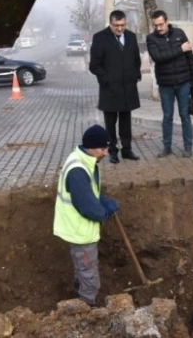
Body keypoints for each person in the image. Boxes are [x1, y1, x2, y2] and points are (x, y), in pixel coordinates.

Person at [53, 124, 119, 307]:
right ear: (90, 146)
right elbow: (90, 209)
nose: (105, 153)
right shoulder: (78, 170)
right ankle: (87, 308)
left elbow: (90, 192)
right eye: (102, 148)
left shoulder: (84, 160)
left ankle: (78, 294)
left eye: (107, 148)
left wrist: (103, 200)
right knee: (90, 276)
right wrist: (105, 211)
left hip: (78, 228)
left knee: (82, 269)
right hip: (80, 232)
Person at [89, 10, 142, 164]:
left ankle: (127, 149)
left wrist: (135, 75)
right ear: (110, 23)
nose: (120, 28)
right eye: (116, 25)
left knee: (126, 121)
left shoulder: (131, 37)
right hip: (110, 90)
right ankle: (112, 151)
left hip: (128, 88)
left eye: (123, 25)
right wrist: (106, 79)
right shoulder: (100, 38)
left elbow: (136, 59)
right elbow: (94, 65)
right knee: (110, 124)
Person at [146, 10, 193, 158]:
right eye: (155, 25)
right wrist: (180, 49)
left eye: (161, 24)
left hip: (183, 82)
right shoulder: (151, 39)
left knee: (185, 115)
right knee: (167, 116)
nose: (158, 28)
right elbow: (158, 57)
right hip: (165, 84)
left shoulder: (179, 34)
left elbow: (190, 57)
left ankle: (188, 147)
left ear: (167, 21)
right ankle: (167, 147)